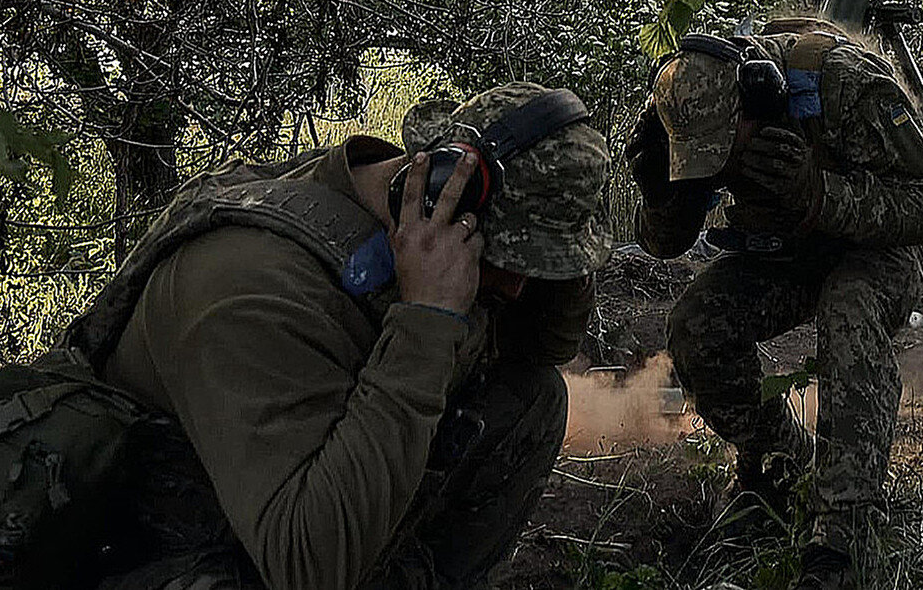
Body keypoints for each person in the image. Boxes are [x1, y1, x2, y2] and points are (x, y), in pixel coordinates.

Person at [88, 82, 611, 590]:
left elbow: (544, 350)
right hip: (176, 545)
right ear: (435, 191)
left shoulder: (390, 203)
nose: (519, 287)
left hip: (291, 495)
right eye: (510, 259)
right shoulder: (252, 290)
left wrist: (560, 262)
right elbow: (307, 568)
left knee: (528, 399)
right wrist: (426, 321)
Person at [625, 20, 923, 590]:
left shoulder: (846, 86)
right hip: (792, 246)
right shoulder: (689, 113)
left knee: (847, 307)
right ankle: (779, 465)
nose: (719, 168)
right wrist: (659, 191)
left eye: (727, 151)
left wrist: (820, 194)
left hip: (884, 247)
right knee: (698, 325)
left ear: (759, 97)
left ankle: (842, 535)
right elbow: (667, 242)